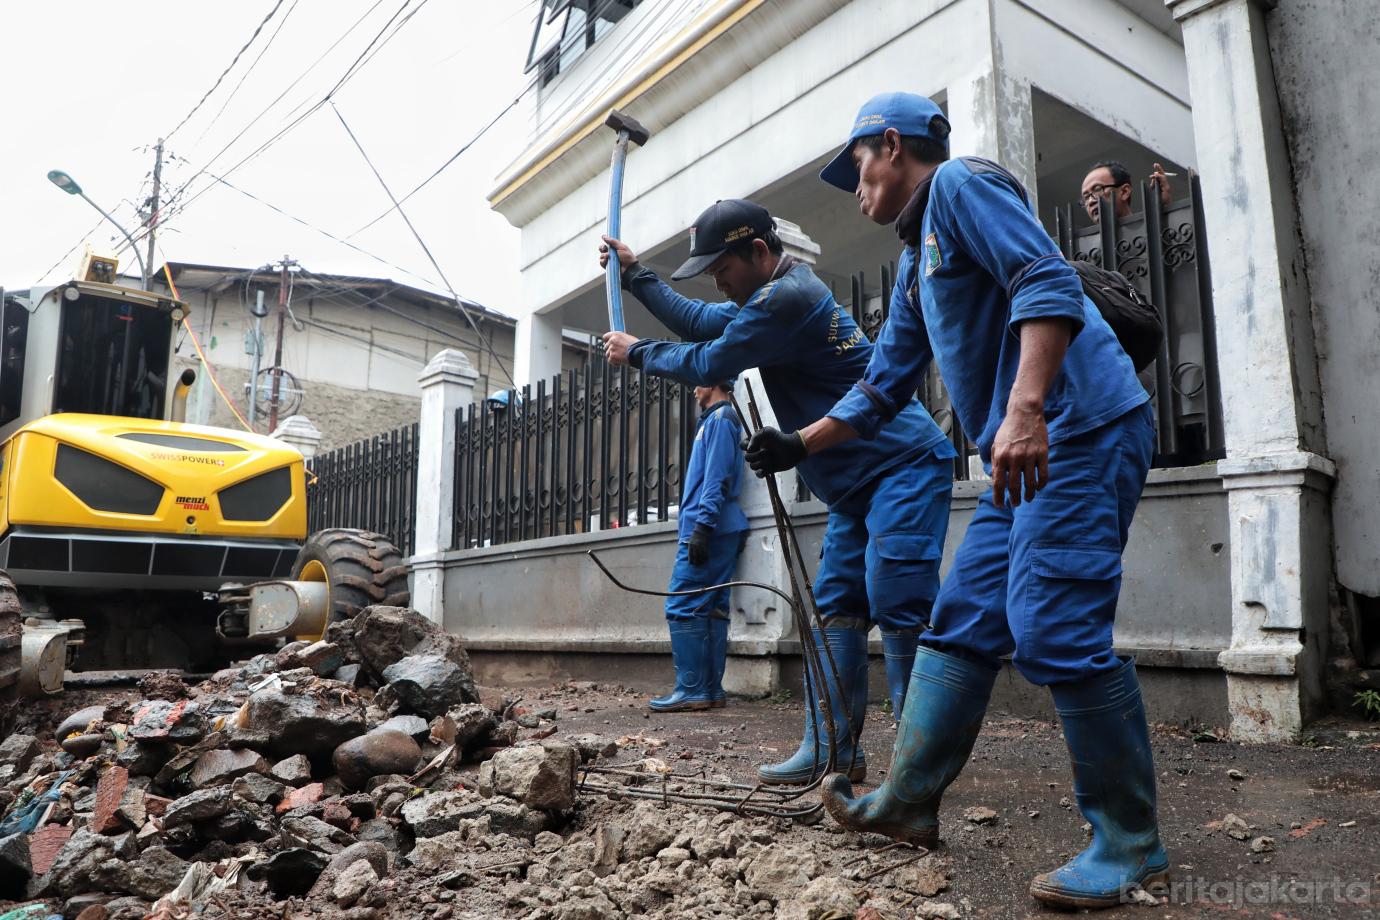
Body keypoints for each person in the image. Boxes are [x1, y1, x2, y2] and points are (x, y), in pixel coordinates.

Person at [745, 92, 1165, 909]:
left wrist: (1025, 408)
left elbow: (1044, 276)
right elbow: (880, 388)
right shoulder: (913, 264)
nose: (855, 187)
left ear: (892, 146)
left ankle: (1130, 843)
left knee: (1054, 625)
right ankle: (907, 803)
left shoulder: (964, 186)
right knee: (964, 619)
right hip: (1029, 453)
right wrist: (800, 444)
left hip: (1076, 429)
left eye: (858, 167)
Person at [598, 199, 954, 785]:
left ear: (759, 253)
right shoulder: (765, 297)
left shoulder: (787, 299)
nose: (717, 281)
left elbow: (709, 357)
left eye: (723, 269)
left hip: (903, 463)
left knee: (899, 603)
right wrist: (637, 276)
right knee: (836, 606)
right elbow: (698, 321)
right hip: (853, 485)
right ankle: (833, 752)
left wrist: (637, 351)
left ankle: (916, 775)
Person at [651, 380, 749, 712]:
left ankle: (692, 690)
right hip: (719, 527)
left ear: (712, 383)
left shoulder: (720, 421)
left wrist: (703, 527)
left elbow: (717, 478)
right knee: (713, 607)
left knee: (682, 605)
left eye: (698, 383)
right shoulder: (716, 421)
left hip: (711, 528)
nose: (694, 390)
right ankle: (708, 691)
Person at [1081, 159, 1173, 223]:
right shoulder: (1087, 250)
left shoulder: (1150, 232)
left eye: (1097, 189)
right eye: (1086, 197)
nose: (1090, 201)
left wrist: (1164, 209)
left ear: (1125, 191)